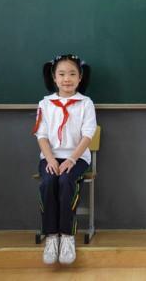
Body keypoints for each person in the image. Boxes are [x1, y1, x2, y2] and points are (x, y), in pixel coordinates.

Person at [32, 54, 97, 265]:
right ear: (53, 77)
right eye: (61, 74)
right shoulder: (45, 104)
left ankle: (67, 236)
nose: (66, 79)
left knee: (66, 181)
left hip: (77, 157)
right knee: (49, 181)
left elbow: (88, 135)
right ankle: (51, 236)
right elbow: (41, 135)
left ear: (80, 78)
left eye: (72, 74)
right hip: (51, 157)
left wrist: (71, 159)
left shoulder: (86, 103)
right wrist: (50, 160)